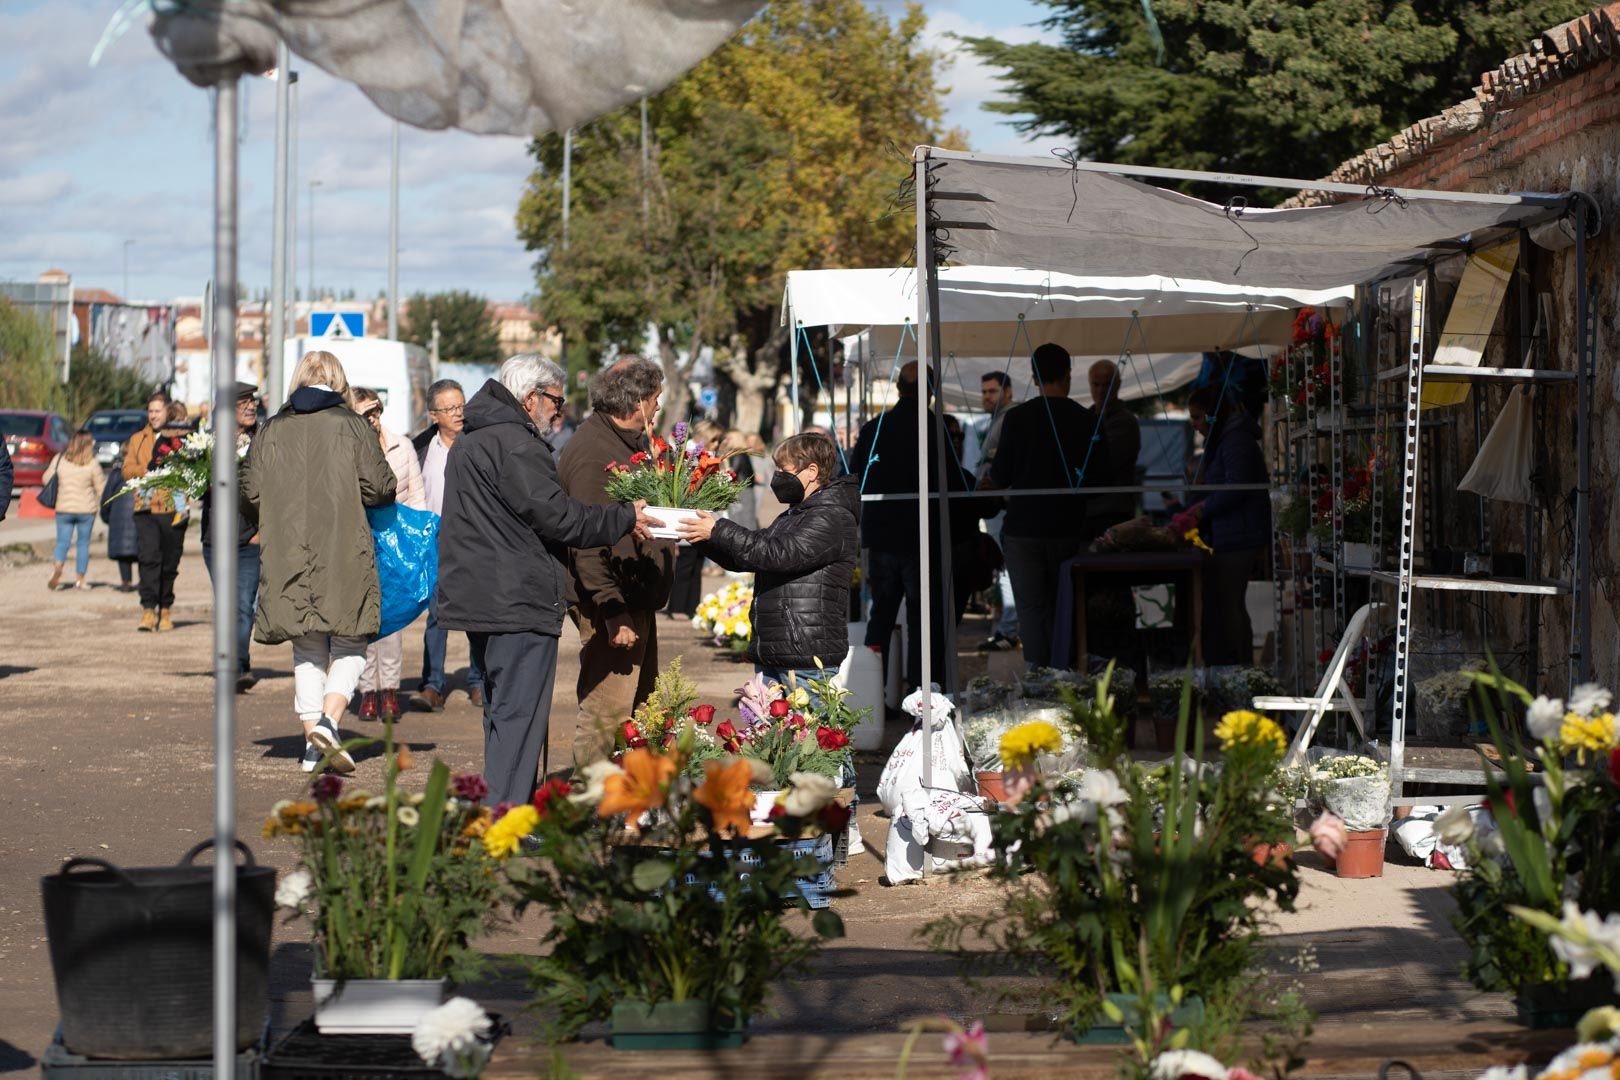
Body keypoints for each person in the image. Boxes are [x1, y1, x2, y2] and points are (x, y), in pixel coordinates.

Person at [436, 354, 653, 805]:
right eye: (557, 401)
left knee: (502, 711)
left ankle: (500, 803)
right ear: (531, 397)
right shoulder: (514, 442)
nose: (561, 411)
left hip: (486, 594)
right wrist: (624, 516)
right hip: (516, 597)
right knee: (519, 713)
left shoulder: (475, 439)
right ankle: (506, 814)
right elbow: (559, 518)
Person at [242, 350, 398, 774]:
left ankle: (314, 746)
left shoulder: (272, 429)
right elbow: (381, 487)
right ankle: (327, 725)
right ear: (337, 380)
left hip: (287, 548)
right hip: (344, 545)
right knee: (351, 640)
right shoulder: (351, 426)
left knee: (306, 646)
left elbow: (249, 491)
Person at [557, 356, 676, 765]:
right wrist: (612, 608)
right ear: (637, 401)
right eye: (656, 398)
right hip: (613, 604)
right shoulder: (594, 452)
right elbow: (585, 542)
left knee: (642, 708)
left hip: (633, 598)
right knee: (607, 713)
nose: (659, 408)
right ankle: (588, 805)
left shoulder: (625, 442)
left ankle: (631, 799)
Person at [677, 431, 857, 686]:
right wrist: (703, 538)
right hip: (780, 650)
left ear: (812, 471)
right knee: (771, 727)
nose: (778, 477)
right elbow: (750, 557)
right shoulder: (795, 514)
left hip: (805, 657)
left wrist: (719, 530)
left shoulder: (830, 516)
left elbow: (777, 554)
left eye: (784, 469)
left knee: (807, 726)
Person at [985, 342, 1111, 669]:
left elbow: (1001, 476)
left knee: (1030, 609)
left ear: (1034, 377)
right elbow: (1102, 479)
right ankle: (1064, 674)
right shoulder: (1086, 420)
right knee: (1064, 606)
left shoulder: (1016, 419)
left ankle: (1038, 678)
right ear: (1068, 375)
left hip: (1023, 529)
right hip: (1069, 528)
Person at [850, 361, 971, 691]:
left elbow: (855, 474)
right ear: (931, 391)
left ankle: (873, 696)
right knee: (923, 621)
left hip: (882, 535)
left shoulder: (874, 427)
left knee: (881, 617)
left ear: (900, 389)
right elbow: (953, 482)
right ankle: (922, 696)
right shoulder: (936, 429)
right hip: (922, 536)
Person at [1173, 387, 1269, 666]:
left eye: (1197, 417)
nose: (1194, 424)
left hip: (1240, 536)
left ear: (1213, 415)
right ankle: (1235, 667)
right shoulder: (1226, 440)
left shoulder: (1234, 441)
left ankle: (1240, 669)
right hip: (1231, 533)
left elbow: (1234, 488)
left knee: (1231, 606)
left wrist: (1202, 508)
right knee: (1228, 604)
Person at [353, 386, 428, 723]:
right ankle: (367, 691)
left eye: (376, 410)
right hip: (360, 542)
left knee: (394, 621)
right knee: (365, 621)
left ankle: (390, 691)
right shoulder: (349, 449)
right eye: (365, 413)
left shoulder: (402, 444)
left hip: (397, 540)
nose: (373, 418)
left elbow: (417, 495)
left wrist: (417, 542)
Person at [411, 378, 483, 710]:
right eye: (450, 408)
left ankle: (478, 681)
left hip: (473, 539)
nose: (458, 413)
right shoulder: (421, 449)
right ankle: (433, 684)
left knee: (476, 613)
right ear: (433, 414)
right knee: (436, 615)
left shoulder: (479, 443)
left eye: (461, 405)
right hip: (435, 538)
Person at [201, 382, 263, 692]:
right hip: (216, 541)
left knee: (243, 605)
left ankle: (237, 665)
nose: (251, 406)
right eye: (243, 403)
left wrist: (263, 531)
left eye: (252, 401)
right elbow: (196, 488)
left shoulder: (264, 440)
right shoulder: (208, 445)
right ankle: (239, 661)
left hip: (250, 540)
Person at [122, 392, 188, 632]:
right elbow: (126, 470)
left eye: (157, 410)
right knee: (149, 560)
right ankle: (148, 610)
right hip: (146, 509)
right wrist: (146, 470)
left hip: (172, 509)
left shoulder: (179, 437)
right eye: (150, 411)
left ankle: (166, 609)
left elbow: (190, 469)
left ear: (167, 412)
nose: (153, 415)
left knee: (169, 563)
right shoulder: (138, 439)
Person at [974, 371, 1020, 652]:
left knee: (1007, 569)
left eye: (992, 391)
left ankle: (1009, 630)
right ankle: (1007, 628)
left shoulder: (1008, 420)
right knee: (1005, 569)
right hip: (998, 503)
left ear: (1007, 392)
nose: (987, 397)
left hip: (1003, 503)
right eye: (984, 391)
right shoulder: (999, 420)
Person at [664, 420, 726, 620]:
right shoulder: (689, 454)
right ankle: (677, 607)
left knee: (698, 563)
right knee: (685, 564)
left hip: (703, 513)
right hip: (688, 513)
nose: (716, 444)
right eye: (714, 440)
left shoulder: (709, 455)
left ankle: (692, 606)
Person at [43, 431, 103, 591]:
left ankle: (57, 567)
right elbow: (101, 488)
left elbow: (45, 479)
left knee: (62, 542)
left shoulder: (59, 460)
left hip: (64, 508)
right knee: (83, 544)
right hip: (86, 510)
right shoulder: (92, 463)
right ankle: (80, 580)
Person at [1089, 360, 1142, 528]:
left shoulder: (1125, 421)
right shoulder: (1088, 416)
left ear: (1117, 385)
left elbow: (1104, 463)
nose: (1101, 391)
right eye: (1096, 384)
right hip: (1091, 510)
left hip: (1114, 511)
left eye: (1106, 385)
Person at [100, 454, 139, 592]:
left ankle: (126, 582)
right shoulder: (146, 471)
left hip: (120, 518)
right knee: (143, 551)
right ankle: (145, 581)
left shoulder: (116, 473)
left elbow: (107, 498)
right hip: (141, 517)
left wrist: (106, 516)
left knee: (124, 553)